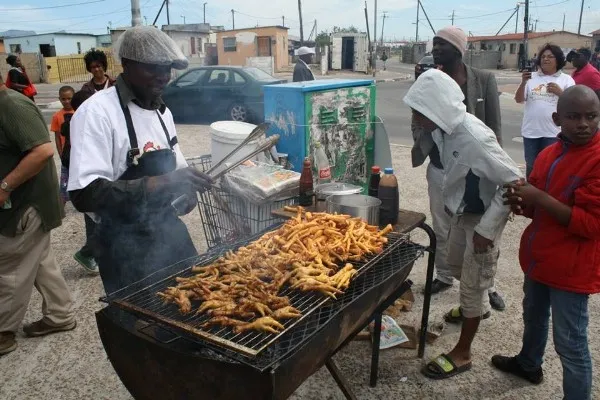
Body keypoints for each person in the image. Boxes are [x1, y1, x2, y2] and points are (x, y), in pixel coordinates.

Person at [68, 26, 212, 294]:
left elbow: (177, 171)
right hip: (124, 247)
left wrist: (186, 190)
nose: (163, 77)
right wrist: (164, 181)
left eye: (167, 68)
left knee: (198, 298)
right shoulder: (97, 113)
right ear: (126, 64)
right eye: (153, 68)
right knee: (142, 325)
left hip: (169, 232)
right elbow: (84, 194)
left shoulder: (162, 112)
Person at [405, 69, 522, 380]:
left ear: (437, 107)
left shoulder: (474, 138)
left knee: (472, 282)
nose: (416, 118)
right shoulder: (442, 129)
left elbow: (515, 182)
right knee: (455, 265)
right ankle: (478, 307)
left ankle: (463, 352)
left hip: (483, 220)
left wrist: (487, 229)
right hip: (462, 213)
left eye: (420, 110)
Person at [493, 85, 600, 400]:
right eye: (574, 116)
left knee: (571, 342)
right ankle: (529, 363)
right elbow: (535, 208)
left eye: (592, 116)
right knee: (534, 315)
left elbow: (591, 224)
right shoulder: (549, 154)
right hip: (539, 258)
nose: (584, 124)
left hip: (571, 269)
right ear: (557, 119)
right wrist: (520, 202)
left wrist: (538, 196)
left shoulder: (596, 159)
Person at [411, 26, 506, 312]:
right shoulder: (430, 77)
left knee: (480, 233)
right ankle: (444, 276)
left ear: (458, 48)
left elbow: (494, 125)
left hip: (475, 171)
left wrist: (493, 162)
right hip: (440, 167)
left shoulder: (483, 79)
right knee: (442, 227)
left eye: (442, 44)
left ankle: (488, 286)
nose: (436, 48)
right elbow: (417, 114)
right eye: (434, 44)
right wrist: (420, 137)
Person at [0, 73, 76, 356]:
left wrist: (5, 187)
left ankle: (3, 332)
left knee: (9, 267)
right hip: (26, 205)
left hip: (25, 205)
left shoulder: (10, 105)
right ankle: (60, 315)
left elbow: (43, 150)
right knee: (39, 259)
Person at [52, 88, 99, 275]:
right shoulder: (79, 128)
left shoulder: (82, 124)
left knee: (97, 221)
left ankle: (92, 253)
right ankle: (87, 253)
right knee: (99, 221)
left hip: (90, 185)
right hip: (87, 186)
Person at [515, 43, 575, 178]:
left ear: (558, 60)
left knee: (550, 167)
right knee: (531, 166)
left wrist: (560, 93)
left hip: (553, 133)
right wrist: (523, 82)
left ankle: (546, 195)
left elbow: (573, 104)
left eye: (550, 57)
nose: (545, 59)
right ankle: (531, 196)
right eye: (543, 57)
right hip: (531, 132)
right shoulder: (532, 77)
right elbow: (519, 99)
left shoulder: (566, 80)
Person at [51, 86, 75, 205]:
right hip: (66, 153)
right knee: (64, 180)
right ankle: (62, 206)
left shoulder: (79, 112)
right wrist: (60, 153)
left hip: (78, 153)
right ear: (59, 99)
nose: (66, 101)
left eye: (69, 98)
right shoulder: (57, 116)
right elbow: (57, 137)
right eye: (63, 99)